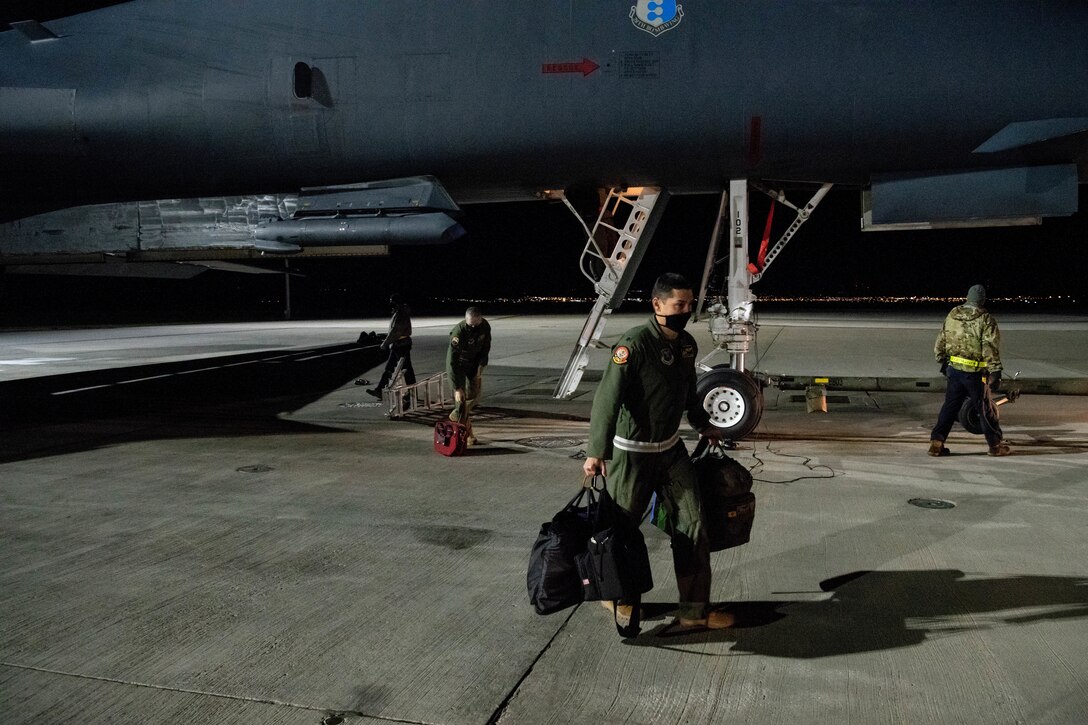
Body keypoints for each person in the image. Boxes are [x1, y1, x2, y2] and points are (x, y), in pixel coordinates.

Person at [582, 272, 732, 631]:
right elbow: (607, 400)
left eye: (690, 304)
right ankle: (619, 598)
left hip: (670, 451)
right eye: (679, 304)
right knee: (623, 534)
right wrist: (596, 452)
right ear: (657, 304)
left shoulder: (686, 345)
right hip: (631, 455)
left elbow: (689, 392)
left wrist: (703, 424)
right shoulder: (632, 345)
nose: (685, 310)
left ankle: (694, 613)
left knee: (694, 525)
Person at [929, 284, 1010, 456]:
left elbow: (941, 339)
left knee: (950, 407)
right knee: (985, 409)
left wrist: (942, 360)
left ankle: (936, 443)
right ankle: (995, 446)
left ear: (967, 297)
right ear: (982, 300)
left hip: (954, 370)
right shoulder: (985, 319)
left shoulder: (953, 314)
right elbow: (989, 347)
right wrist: (995, 371)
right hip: (974, 374)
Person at [446, 307, 491, 445]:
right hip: (459, 366)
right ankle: (467, 436)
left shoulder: (484, 326)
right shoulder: (459, 332)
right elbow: (451, 361)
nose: (472, 326)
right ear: (466, 319)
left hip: (473, 364)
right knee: (461, 402)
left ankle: (456, 414)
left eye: (475, 324)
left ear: (480, 319)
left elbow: (486, 347)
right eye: (470, 324)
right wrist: (457, 387)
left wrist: (481, 366)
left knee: (475, 397)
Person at [359, 293, 416, 398]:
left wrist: (385, 343)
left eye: (392, 301)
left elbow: (396, 332)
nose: (390, 303)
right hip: (397, 345)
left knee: (406, 370)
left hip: (401, 345)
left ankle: (412, 393)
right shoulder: (399, 312)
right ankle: (380, 390)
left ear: (396, 302)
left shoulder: (401, 313)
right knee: (390, 368)